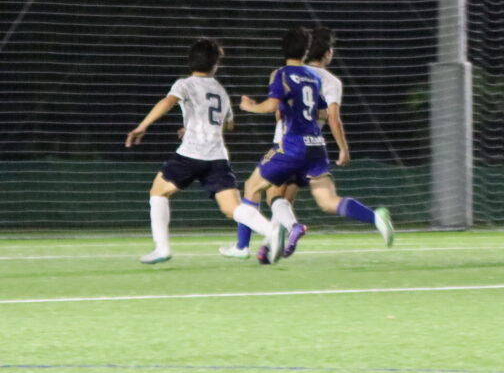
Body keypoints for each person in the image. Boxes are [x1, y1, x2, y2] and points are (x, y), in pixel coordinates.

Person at [223, 27, 390, 258]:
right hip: (316, 145)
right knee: (324, 200)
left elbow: (275, 108)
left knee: (257, 189)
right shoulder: (317, 79)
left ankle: (246, 245)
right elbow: (325, 113)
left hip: (290, 144)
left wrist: (250, 107)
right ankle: (374, 217)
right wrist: (342, 147)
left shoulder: (281, 74)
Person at [125, 38, 280, 264]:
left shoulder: (185, 84)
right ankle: (272, 230)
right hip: (217, 157)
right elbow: (228, 125)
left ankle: (162, 248)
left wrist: (142, 126)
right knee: (232, 208)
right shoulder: (220, 90)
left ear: (190, 60)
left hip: (191, 153)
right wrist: (195, 126)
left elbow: (167, 102)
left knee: (158, 192)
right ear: (215, 65)